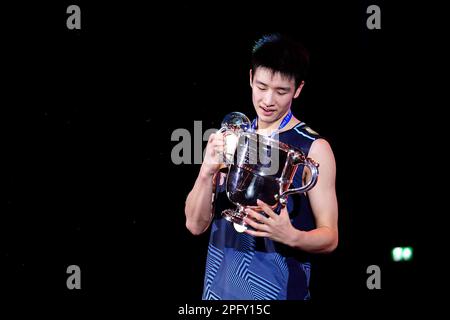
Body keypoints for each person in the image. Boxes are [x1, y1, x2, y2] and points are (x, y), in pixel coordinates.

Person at [185, 33, 338, 300]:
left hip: (278, 292)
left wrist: (291, 236)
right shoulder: (232, 138)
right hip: (216, 294)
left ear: (298, 89)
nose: (268, 100)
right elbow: (195, 226)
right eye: (262, 86)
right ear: (250, 79)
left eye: (281, 91)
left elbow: (330, 237)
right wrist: (205, 172)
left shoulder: (313, 148)